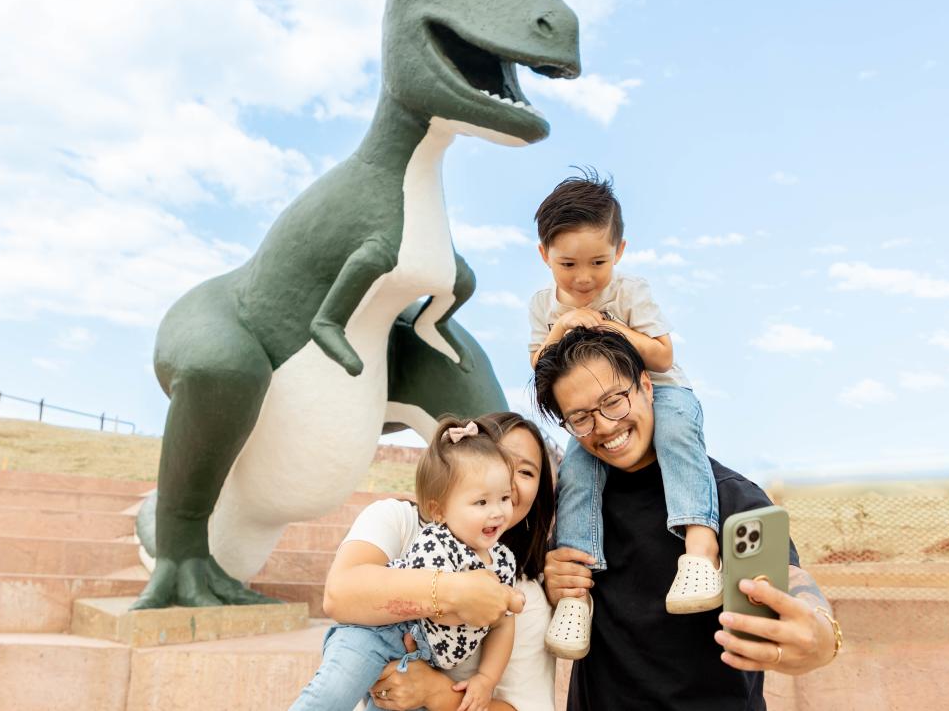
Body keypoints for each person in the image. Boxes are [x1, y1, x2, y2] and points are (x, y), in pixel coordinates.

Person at [535, 327, 843, 709]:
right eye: (580, 418)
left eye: (614, 401)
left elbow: (790, 581)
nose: (605, 426)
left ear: (647, 386)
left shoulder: (730, 494)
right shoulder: (574, 512)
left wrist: (820, 634)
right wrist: (551, 585)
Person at [528, 171, 722, 660]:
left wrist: (607, 326)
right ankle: (577, 597)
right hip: (593, 404)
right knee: (575, 470)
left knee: (677, 434)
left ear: (620, 251)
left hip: (662, 392)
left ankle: (699, 550)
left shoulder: (631, 292)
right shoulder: (542, 305)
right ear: (544, 255)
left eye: (598, 261)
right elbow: (540, 367)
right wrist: (566, 326)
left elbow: (660, 354)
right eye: (568, 263)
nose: (585, 277)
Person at [322, 412, 559, 711]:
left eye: (526, 472)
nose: (507, 480)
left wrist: (434, 693)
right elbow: (338, 595)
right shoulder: (399, 521)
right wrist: (456, 593)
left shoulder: (525, 595)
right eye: (498, 461)